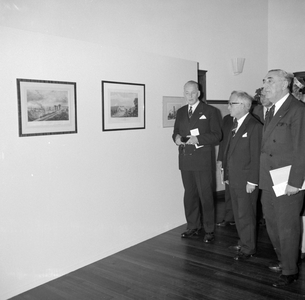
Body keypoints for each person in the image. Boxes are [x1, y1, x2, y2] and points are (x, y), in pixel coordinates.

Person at [259, 69, 305, 287]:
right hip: (269, 178)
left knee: (287, 226)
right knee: (272, 223)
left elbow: (301, 149)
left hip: (287, 179)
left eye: (270, 81)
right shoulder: (270, 110)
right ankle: (283, 259)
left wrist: (295, 183)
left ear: (285, 84)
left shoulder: (297, 110)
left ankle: (290, 270)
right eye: (264, 81)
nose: (265, 85)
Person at [172, 80, 222, 243]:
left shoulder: (210, 111)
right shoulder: (180, 112)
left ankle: (209, 229)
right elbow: (175, 133)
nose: (190, 96)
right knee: (190, 195)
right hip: (185, 160)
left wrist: (197, 139)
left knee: (206, 195)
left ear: (199, 93)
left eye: (193, 92)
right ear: (184, 93)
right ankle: (193, 226)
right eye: (187, 93)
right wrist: (177, 138)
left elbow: (217, 135)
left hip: (202, 161)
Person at [220, 91, 262, 260]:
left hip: (246, 180)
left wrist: (253, 181)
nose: (228, 106)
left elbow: (257, 156)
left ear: (244, 106)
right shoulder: (234, 124)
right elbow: (229, 151)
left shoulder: (254, 126)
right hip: (234, 178)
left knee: (247, 214)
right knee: (238, 214)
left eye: (232, 103)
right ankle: (244, 241)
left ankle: (248, 248)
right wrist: (226, 173)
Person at [252, 89, 273, 227]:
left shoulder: (278, 111)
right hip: (258, 153)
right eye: (260, 95)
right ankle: (261, 216)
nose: (262, 98)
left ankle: (269, 216)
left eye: (265, 95)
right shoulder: (256, 111)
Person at [216, 114, 236, 227]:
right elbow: (222, 141)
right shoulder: (227, 119)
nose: (229, 106)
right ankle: (229, 218)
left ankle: (240, 219)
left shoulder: (252, 119)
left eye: (232, 103)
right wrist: (220, 159)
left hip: (242, 163)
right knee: (228, 191)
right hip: (227, 160)